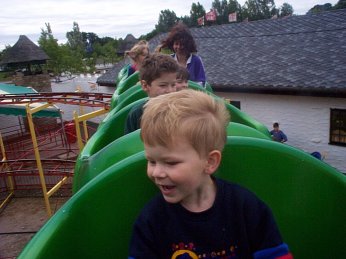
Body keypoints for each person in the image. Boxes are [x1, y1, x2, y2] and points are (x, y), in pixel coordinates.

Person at [128, 89, 293, 258]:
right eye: (152, 161)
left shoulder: (245, 208)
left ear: (210, 162)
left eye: (171, 163)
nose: (157, 172)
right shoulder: (153, 220)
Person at [124, 53, 178, 134]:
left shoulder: (180, 111)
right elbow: (129, 143)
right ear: (145, 85)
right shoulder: (136, 114)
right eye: (163, 85)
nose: (170, 91)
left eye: (173, 85)